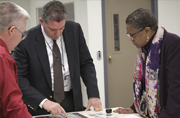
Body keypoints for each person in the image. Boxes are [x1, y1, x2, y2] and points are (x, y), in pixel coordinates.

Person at [12, 0, 102, 116]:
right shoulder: (25, 40)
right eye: (52, 29)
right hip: (41, 104)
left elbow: (86, 64)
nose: (57, 33)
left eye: (61, 28)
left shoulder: (74, 30)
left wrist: (93, 94)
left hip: (71, 100)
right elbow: (19, 78)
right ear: (41, 22)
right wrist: (43, 101)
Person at [113, 8, 180, 118]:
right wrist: (135, 107)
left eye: (132, 35)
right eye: (128, 35)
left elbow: (176, 88)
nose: (130, 39)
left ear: (147, 31)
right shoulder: (144, 49)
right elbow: (145, 84)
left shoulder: (172, 44)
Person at [0, 2, 32, 118]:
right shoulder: (3, 57)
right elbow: (13, 107)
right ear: (12, 30)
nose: (22, 39)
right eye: (22, 34)